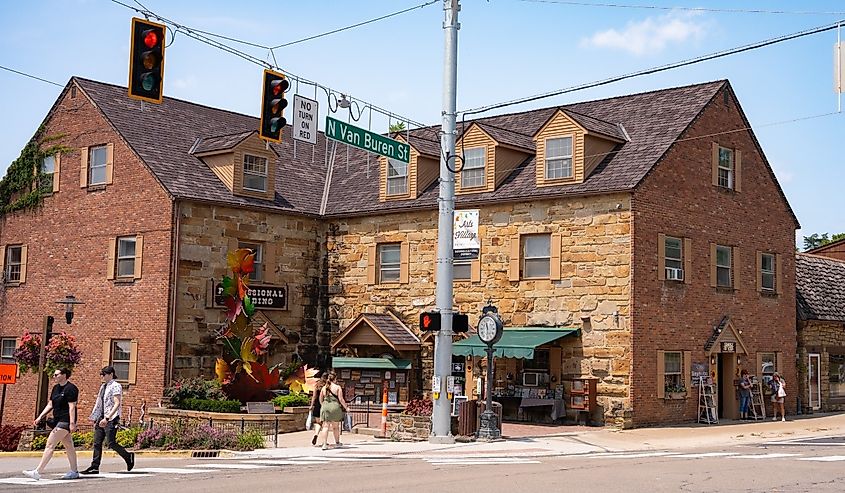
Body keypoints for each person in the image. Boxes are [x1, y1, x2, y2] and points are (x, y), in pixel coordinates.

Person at [23, 367, 80, 481]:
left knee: (50, 444)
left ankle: (37, 471)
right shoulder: (55, 388)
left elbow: (72, 406)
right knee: (69, 445)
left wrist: (72, 423)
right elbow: (50, 405)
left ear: (64, 375)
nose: (54, 377)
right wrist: (40, 417)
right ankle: (74, 471)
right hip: (57, 419)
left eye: (56, 374)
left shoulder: (71, 388)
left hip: (65, 420)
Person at [80, 366, 134, 474]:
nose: (102, 376)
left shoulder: (116, 386)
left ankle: (128, 456)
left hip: (111, 418)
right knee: (97, 442)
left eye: (104, 374)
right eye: (101, 374)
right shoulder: (103, 387)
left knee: (111, 443)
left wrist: (107, 418)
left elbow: (117, 403)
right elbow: (100, 403)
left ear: (111, 374)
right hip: (101, 417)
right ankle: (94, 466)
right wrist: (97, 417)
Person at [317, 371, 348, 451]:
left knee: (325, 426)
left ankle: (324, 444)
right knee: (335, 427)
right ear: (335, 379)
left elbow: (320, 399)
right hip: (335, 407)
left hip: (325, 406)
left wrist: (323, 405)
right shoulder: (338, 387)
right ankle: (337, 442)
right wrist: (346, 407)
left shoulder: (324, 388)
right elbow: (341, 399)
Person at [309, 375, 327, 446]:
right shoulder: (326, 386)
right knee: (324, 425)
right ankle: (324, 441)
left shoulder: (317, 386)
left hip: (317, 405)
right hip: (324, 405)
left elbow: (314, 396)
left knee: (318, 423)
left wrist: (311, 405)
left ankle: (316, 434)